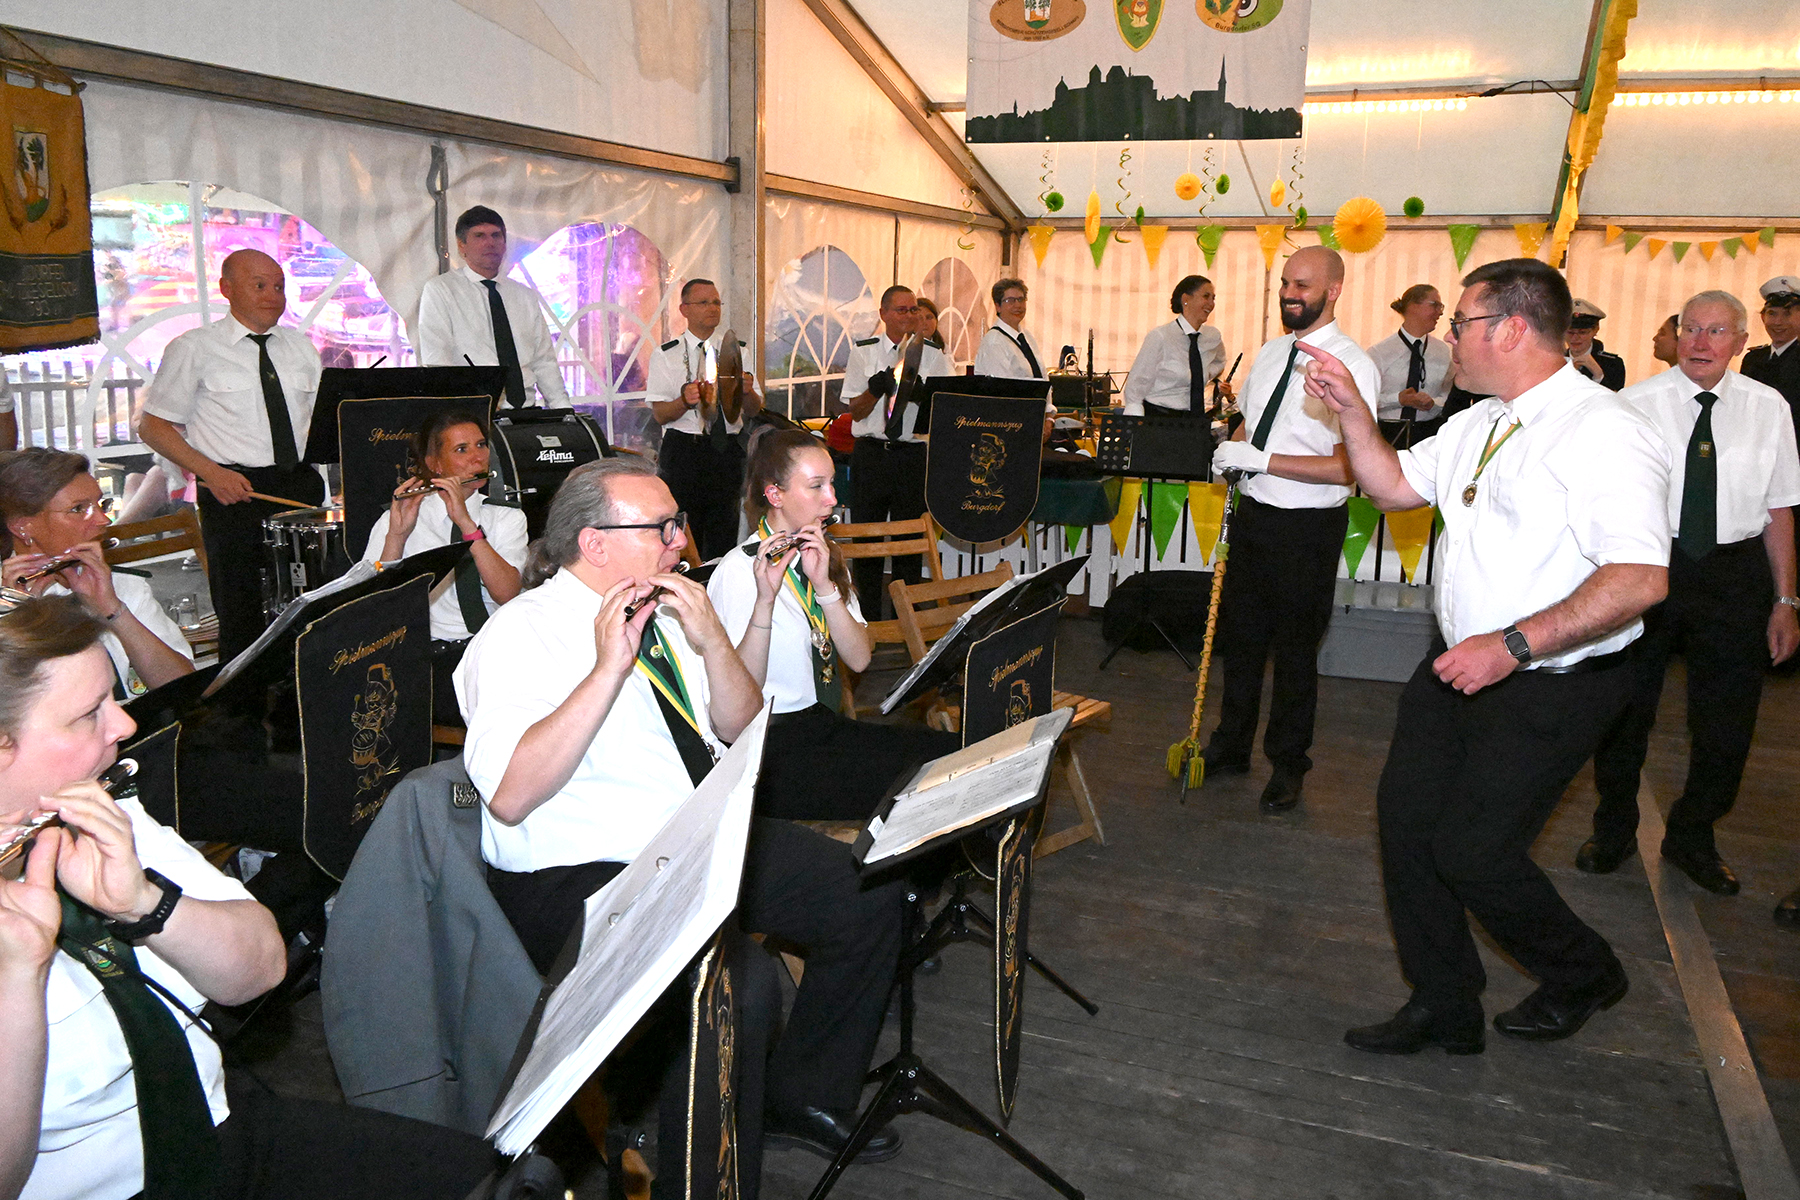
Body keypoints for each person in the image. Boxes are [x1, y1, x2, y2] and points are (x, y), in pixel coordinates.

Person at [455, 457, 906, 1165]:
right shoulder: (519, 634)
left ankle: (802, 1096)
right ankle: (693, 1165)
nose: (680, 541)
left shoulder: (663, 610)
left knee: (872, 890)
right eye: (662, 527)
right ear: (594, 543)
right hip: (582, 875)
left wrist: (714, 639)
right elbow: (511, 795)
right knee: (738, 988)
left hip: (686, 843)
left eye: (679, 523)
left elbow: (741, 723)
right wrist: (607, 670)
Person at [0, 593, 496, 1200]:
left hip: (221, 1131)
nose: (125, 726)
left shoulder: (100, 812)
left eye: (113, 699)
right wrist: (18, 975)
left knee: (481, 1178)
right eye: (88, 714)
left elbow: (260, 969)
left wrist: (146, 905)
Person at [1299, 257, 1670, 1054]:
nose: (1450, 337)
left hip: (1554, 678)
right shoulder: (1479, 421)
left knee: (1474, 853)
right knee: (1407, 828)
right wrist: (1355, 415)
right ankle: (1445, 1004)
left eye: (1461, 322)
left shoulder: (1605, 431)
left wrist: (1511, 645)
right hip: (1457, 666)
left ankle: (1584, 972)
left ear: (1510, 329)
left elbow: (1640, 577)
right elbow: (1395, 488)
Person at [1579, 291, 1800, 895]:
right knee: (1627, 708)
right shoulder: (1634, 404)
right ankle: (1613, 827)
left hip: (1735, 573)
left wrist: (1785, 601)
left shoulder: (1769, 407)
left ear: (1742, 343)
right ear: (1676, 337)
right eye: (1691, 329)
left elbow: (1780, 508)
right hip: (1653, 564)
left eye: (1716, 332)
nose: (1700, 342)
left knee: (1728, 718)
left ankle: (1693, 835)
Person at [1206, 246, 1382, 813]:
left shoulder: (1351, 367)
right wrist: (1233, 448)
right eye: (1286, 282)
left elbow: (1350, 467)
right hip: (1254, 514)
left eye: (1303, 284)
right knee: (1241, 642)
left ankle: (1288, 763)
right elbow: (1251, 423)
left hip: (1308, 526)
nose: (1289, 293)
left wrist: (1264, 461)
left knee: (1295, 652)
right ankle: (1231, 745)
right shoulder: (1270, 352)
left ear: (1334, 290)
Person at [709, 429, 960, 820]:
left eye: (831, 484)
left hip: (821, 724)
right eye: (816, 486)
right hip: (769, 745)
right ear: (774, 494)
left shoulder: (823, 554)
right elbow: (737, 690)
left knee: (953, 753)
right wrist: (765, 602)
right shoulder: (739, 571)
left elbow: (859, 659)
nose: (832, 499)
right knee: (918, 783)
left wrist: (826, 587)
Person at [138, 249, 325, 661]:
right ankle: (244, 697)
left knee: (310, 604)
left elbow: (319, 422)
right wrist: (210, 473)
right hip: (231, 489)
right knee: (242, 612)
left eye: (279, 287)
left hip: (297, 486)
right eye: (259, 285)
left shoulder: (301, 348)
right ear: (226, 289)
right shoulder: (195, 347)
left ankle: (302, 686)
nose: (273, 296)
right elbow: (153, 426)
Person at [358, 410, 526, 725]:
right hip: (425, 657)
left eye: (481, 445)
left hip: (490, 652)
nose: (477, 457)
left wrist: (467, 525)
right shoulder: (402, 515)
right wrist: (397, 536)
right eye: (461, 449)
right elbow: (375, 601)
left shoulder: (505, 517)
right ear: (435, 464)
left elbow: (507, 593)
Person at [0, 450, 193, 698]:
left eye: (100, 504)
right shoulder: (5, 602)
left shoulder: (117, 584)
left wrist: (114, 611)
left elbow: (185, 691)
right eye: (78, 509)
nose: (103, 520)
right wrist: (16, 619)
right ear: (23, 526)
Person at [840, 285, 952, 618]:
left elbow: (945, 411)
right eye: (902, 310)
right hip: (872, 454)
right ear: (884, 314)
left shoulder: (933, 355)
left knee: (910, 544)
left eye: (914, 309)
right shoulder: (864, 352)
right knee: (867, 542)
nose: (910, 316)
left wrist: (922, 394)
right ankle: (868, 621)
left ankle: (908, 621)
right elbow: (855, 412)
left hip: (911, 456)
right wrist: (875, 389)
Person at [645, 278, 763, 560]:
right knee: (684, 532)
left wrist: (746, 392)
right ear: (684, 309)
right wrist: (684, 401)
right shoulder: (666, 354)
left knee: (725, 529)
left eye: (716, 302)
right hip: (685, 448)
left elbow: (755, 409)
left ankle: (721, 584)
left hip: (726, 448)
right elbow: (660, 414)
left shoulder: (737, 351)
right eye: (704, 302)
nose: (713, 308)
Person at [415, 206, 569, 411]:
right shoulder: (441, 291)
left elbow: (544, 361)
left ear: (505, 244)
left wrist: (564, 410)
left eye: (496, 235)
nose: (490, 243)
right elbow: (437, 362)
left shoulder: (524, 296)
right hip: (472, 413)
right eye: (479, 236)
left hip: (525, 412)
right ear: (461, 245)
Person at [1121, 275, 1229, 418]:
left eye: (1213, 298)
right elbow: (1137, 385)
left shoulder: (1212, 336)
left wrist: (1203, 373)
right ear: (1186, 299)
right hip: (1159, 418)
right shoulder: (1160, 336)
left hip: (1194, 418)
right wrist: (1136, 423)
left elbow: (1220, 361)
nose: (1211, 303)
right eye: (1206, 296)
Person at [1368, 284, 1452, 447]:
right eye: (1435, 305)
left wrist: (1434, 403)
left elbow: (1449, 395)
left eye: (1441, 306)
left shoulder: (1443, 351)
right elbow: (1364, 399)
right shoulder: (1379, 353)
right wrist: (1398, 399)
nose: (1440, 312)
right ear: (1412, 306)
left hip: (1430, 435)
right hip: (1387, 434)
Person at [975, 278, 1044, 380]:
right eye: (1010, 300)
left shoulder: (1027, 337)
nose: (1018, 305)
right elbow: (1002, 385)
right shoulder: (994, 342)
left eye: (1021, 299)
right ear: (998, 306)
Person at [1567, 298, 1626, 391]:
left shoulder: (1612, 364)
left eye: (1582, 332)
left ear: (1595, 330)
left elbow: (1615, 397)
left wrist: (1599, 375)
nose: (1575, 337)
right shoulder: (1553, 361)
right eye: (1570, 332)